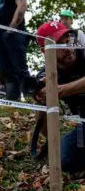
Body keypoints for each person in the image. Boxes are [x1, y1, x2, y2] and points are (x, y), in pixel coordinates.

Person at [32, 21, 85, 175]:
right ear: (44, 51)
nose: (68, 48)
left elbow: (62, 91)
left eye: (68, 41)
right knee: (63, 159)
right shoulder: (46, 75)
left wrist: (61, 90)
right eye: (59, 45)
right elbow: (46, 132)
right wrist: (42, 102)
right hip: (83, 126)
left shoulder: (82, 51)